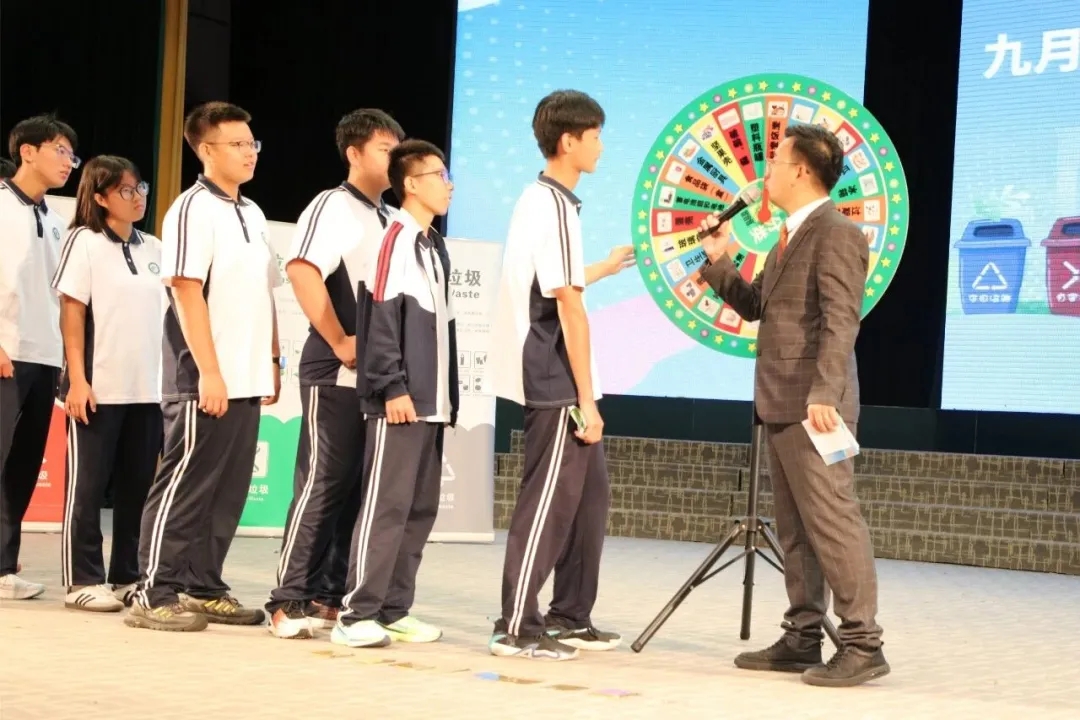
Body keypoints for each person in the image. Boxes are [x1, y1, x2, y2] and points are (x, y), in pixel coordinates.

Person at [696, 123, 888, 688]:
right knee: (797, 528)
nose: (767, 173)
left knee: (832, 521)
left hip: (814, 405)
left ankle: (863, 643)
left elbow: (841, 320)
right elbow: (758, 306)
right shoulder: (788, 234)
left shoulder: (836, 233)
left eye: (776, 161)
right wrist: (719, 259)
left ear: (802, 170)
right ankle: (803, 635)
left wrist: (825, 392)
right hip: (781, 400)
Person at [488, 90, 635, 661]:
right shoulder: (548, 204)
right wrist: (587, 399)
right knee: (547, 504)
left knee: (589, 499)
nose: (601, 146)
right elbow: (567, 306)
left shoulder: (557, 204)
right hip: (552, 375)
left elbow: (559, 282)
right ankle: (515, 626)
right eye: (595, 136)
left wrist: (604, 266)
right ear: (568, 141)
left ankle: (570, 615)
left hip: (561, 373)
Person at [125, 101, 282, 632]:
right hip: (203, 378)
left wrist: (272, 359)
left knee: (226, 491)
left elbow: (264, 292)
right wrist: (209, 371)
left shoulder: (252, 212)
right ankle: (153, 590)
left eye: (252, 143)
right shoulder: (191, 208)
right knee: (185, 485)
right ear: (206, 150)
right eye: (237, 144)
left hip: (247, 375)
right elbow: (186, 290)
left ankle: (202, 585)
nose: (249, 152)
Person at [266, 109, 405, 639]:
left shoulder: (390, 217)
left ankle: (329, 594)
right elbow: (302, 270)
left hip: (375, 376)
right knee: (322, 482)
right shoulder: (333, 205)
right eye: (385, 149)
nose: (394, 158)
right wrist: (339, 340)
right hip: (334, 370)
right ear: (354, 153)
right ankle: (287, 599)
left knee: (355, 488)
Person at [332, 139, 458, 649]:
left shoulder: (434, 244)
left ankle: (393, 609)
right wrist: (391, 387)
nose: (448, 185)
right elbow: (381, 317)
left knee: (418, 510)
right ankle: (355, 613)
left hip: (433, 402)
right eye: (439, 176)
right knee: (386, 507)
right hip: (400, 401)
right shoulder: (396, 238)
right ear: (411, 184)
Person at [51, 156, 164, 612]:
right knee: (88, 487)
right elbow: (72, 312)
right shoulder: (84, 241)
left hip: (148, 391)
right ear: (99, 197)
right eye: (125, 191)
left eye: (141, 188)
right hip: (98, 387)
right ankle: (82, 579)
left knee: (138, 489)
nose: (137, 198)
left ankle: (126, 576)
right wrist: (77, 379)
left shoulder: (154, 247)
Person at [0, 114, 79, 601]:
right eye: (59, 150)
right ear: (27, 152)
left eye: (72, 154)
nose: (69, 162)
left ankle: (3, 566)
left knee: (23, 465)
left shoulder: (55, 219)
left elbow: (60, 296)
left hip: (44, 355)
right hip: (6, 350)